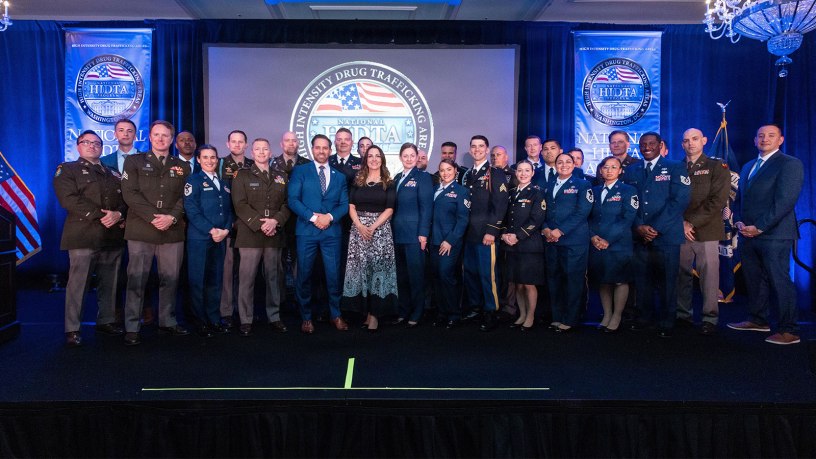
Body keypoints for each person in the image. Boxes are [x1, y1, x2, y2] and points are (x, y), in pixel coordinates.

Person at [728, 124, 804, 345]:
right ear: (754, 140)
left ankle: (789, 330)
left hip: (775, 234)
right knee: (754, 280)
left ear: (780, 140)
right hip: (747, 233)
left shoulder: (790, 164)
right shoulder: (749, 166)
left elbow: (785, 201)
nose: (765, 139)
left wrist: (760, 227)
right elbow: (740, 197)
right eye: (760, 135)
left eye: (771, 135)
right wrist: (740, 221)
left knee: (780, 281)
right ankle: (758, 320)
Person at [120, 120, 191, 345]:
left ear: (172, 140)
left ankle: (167, 321)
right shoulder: (134, 162)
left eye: (165, 136)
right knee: (137, 279)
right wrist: (153, 217)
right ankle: (132, 325)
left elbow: (186, 196)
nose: (161, 139)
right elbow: (130, 194)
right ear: (150, 137)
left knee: (170, 279)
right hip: (142, 229)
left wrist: (171, 217)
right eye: (156, 135)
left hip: (171, 229)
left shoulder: (183, 166)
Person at [54, 131, 127, 346]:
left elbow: (125, 198)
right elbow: (68, 200)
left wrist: (120, 214)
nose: (93, 146)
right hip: (83, 234)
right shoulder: (67, 169)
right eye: (87, 142)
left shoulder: (113, 173)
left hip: (112, 234)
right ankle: (72, 329)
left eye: (97, 143)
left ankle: (106, 320)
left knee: (110, 282)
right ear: (78, 146)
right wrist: (102, 215)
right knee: (79, 284)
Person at [623, 132, 690, 338]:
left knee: (668, 281)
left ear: (660, 145)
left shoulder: (675, 167)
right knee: (643, 280)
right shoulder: (632, 170)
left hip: (666, 235)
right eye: (643, 145)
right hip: (640, 235)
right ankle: (644, 318)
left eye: (651, 144)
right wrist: (639, 227)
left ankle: (667, 321)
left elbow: (679, 201)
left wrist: (655, 228)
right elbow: (628, 203)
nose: (647, 147)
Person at [288, 134, 350, 334]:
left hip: (331, 233)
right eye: (318, 147)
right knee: (304, 275)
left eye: (325, 148)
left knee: (333, 276)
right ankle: (306, 317)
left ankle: (335, 314)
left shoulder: (339, 176)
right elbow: (293, 200)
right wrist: (315, 218)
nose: (321, 151)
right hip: (307, 231)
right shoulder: (300, 171)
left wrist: (329, 217)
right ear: (312, 149)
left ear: (330, 151)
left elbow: (344, 205)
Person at [231, 138, 291, 336]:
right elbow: (239, 204)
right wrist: (260, 224)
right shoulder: (242, 175)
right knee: (246, 278)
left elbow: (287, 204)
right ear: (252, 152)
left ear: (271, 151)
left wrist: (275, 221)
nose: (262, 152)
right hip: (250, 234)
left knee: (274, 277)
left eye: (265, 148)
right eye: (258, 149)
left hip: (274, 233)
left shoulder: (281, 175)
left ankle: (274, 316)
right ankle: (245, 319)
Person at [676, 128, 730, 335]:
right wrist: (681, 223)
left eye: (695, 139)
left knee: (709, 276)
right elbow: (670, 200)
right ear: (682, 144)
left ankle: (709, 317)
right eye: (686, 140)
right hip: (680, 229)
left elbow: (717, 200)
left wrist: (691, 222)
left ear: (704, 141)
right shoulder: (676, 167)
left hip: (706, 229)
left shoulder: (717, 166)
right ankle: (683, 314)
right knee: (681, 274)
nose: (690, 143)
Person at [342, 145, 398, 331]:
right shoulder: (358, 180)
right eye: (370, 156)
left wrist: (372, 227)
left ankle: (375, 315)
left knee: (377, 273)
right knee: (362, 272)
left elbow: (390, 208)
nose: (374, 159)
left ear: (382, 159)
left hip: (379, 232)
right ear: (365, 159)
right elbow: (351, 206)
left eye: (377, 156)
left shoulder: (388, 182)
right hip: (359, 232)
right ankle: (366, 313)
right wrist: (359, 226)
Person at [183, 144, 232, 338]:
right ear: (198, 160)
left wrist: (226, 230)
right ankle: (199, 321)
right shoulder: (193, 180)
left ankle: (213, 318)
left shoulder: (224, 183)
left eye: (213, 157)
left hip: (219, 238)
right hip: (200, 238)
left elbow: (229, 211)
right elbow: (191, 210)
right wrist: (211, 230)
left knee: (215, 280)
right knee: (197, 280)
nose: (210, 161)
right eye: (205, 157)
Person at [461, 135, 509, 331]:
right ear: (470, 149)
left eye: (481, 146)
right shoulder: (467, 175)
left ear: (487, 149)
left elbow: (500, 205)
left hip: (485, 234)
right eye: (474, 146)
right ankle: (475, 307)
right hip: (468, 233)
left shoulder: (495, 173)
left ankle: (491, 310)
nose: (477, 149)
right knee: (470, 273)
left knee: (487, 275)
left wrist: (492, 231)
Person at [542, 153, 592, 332]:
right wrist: (546, 228)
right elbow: (544, 211)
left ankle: (571, 319)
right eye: (560, 162)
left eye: (568, 162)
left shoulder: (583, 184)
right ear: (555, 165)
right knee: (554, 279)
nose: (564, 165)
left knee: (573, 280)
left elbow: (582, 212)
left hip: (573, 241)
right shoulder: (548, 185)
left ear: (574, 164)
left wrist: (560, 230)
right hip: (551, 240)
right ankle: (557, 316)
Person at [588, 156, 638, 333]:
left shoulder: (628, 190)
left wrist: (608, 240)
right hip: (596, 244)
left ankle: (617, 315)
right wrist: (593, 237)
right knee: (604, 281)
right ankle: (607, 314)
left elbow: (627, 219)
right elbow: (587, 218)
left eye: (613, 167)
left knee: (619, 280)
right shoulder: (592, 191)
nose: (609, 170)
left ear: (620, 171)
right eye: (606, 167)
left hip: (618, 244)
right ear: (600, 170)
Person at [500, 161, 546, 331]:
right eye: (520, 170)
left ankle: (531, 315)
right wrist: (504, 234)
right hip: (511, 245)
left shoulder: (537, 193)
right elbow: (504, 217)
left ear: (533, 173)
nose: (523, 173)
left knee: (528, 284)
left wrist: (518, 236)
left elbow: (537, 219)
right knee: (517, 283)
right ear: (516, 173)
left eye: (527, 170)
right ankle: (522, 314)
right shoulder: (511, 193)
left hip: (529, 245)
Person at [392, 143, 434, 327]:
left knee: (416, 276)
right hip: (397, 234)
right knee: (401, 276)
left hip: (415, 235)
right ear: (401, 158)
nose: (409, 159)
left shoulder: (423, 178)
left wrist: (423, 234)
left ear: (417, 158)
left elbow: (427, 207)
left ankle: (417, 312)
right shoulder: (396, 178)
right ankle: (403, 310)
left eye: (412, 155)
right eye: (405, 155)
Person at [217, 129, 253, 329]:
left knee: (246, 271)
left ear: (246, 145)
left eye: (241, 142)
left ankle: (244, 310)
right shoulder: (220, 163)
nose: (237, 145)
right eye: (234, 142)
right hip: (228, 223)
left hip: (249, 224)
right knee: (228, 270)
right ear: (228, 144)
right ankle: (227, 311)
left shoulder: (253, 164)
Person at [429, 159, 470, 328]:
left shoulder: (462, 192)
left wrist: (450, 241)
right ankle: (442, 312)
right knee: (437, 277)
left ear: (455, 172)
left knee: (446, 276)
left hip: (449, 242)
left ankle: (454, 314)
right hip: (433, 240)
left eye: (449, 169)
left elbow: (463, 220)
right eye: (442, 170)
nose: (445, 173)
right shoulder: (433, 190)